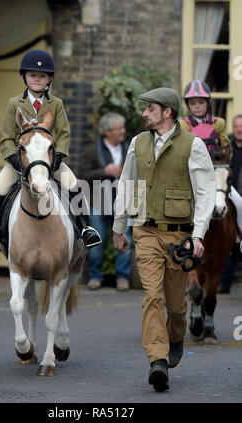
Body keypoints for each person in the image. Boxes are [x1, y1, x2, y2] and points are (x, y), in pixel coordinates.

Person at [112, 87, 216, 391]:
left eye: (150, 108)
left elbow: (206, 192)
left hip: (179, 235)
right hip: (144, 229)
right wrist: (120, 227)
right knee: (152, 296)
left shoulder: (193, 146)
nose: (144, 113)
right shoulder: (137, 143)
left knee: (176, 304)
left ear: (167, 112)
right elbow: (127, 183)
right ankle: (157, 360)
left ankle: (175, 335)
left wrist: (198, 235)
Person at [0, 49, 101, 257]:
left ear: (49, 79)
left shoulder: (56, 104)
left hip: (49, 160)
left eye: (42, 76)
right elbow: (6, 138)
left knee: (73, 185)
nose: (37, 79)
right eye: (33, 75)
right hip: (22, 160)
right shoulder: (15, 103)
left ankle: (85, 230)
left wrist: (59, 155)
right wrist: (15, 160)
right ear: (24, 76)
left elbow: (64, 134)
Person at [180, 80, 242, 291]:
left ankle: (238, 240)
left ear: (208, 103)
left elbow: (226, 146)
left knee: (238, 201)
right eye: (193, 103)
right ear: (188, 104)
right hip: (194, 174)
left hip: (216, 172)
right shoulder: (183, 125)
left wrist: (222, 160)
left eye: (201, 102)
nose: (197, 106)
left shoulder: (219, 123)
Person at [78, 113, 132, 291]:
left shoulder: (130, 148)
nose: (123, 131)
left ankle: (123, 278)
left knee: (125, 239)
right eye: (119, 128)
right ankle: (95, 277)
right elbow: (82, 175)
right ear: (107, 131)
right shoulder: (92, 150)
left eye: (123, 128)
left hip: (122, 202)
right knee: (96, 241)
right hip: (98, 201)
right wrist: (105, 171)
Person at [217, 114, 242, 293]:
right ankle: (223, 284)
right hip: (229, 194)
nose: (239, 129)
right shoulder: (227, 146)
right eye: (237, 126)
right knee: (225, 239)